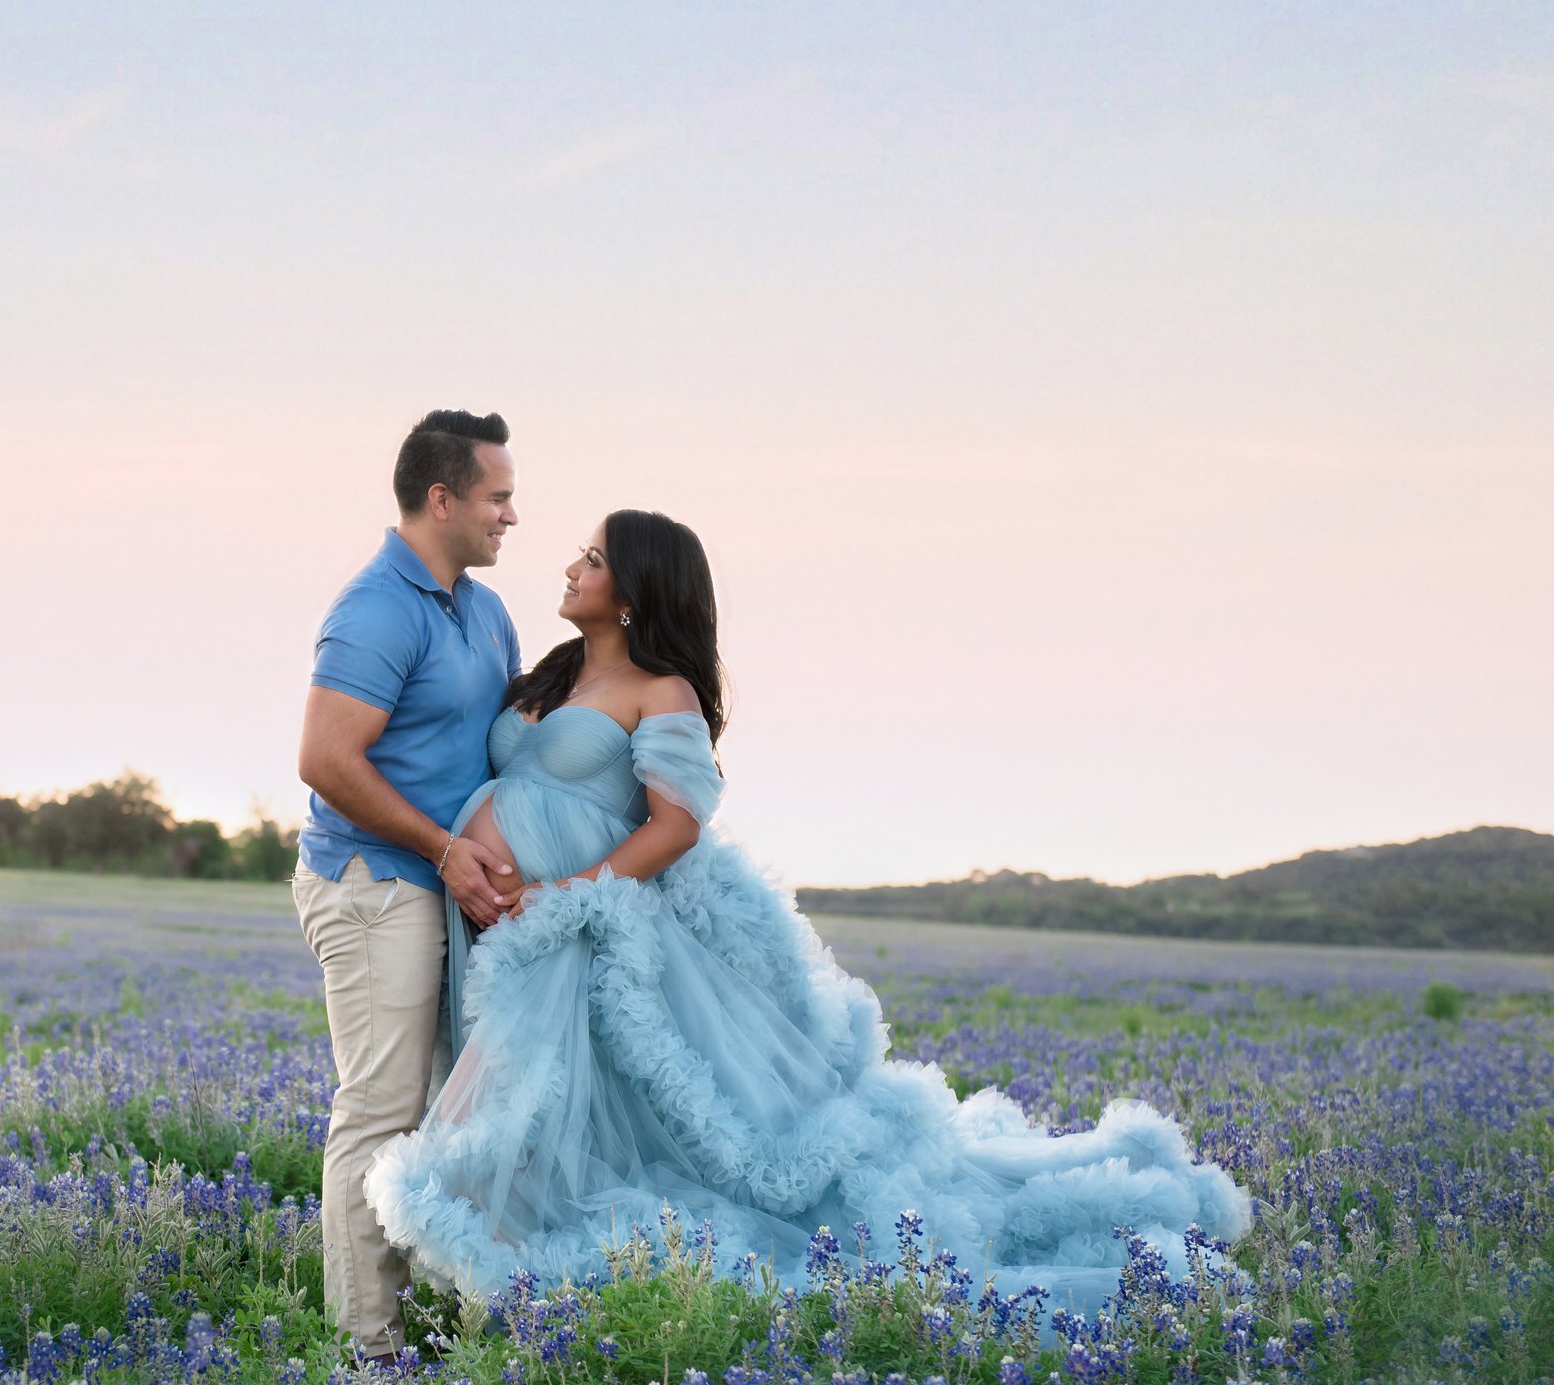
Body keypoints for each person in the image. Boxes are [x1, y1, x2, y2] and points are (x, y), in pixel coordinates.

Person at [364, 509, 1254, 1328]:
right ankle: (498, 1305)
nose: (569, 565)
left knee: (511, 1105)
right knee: (535, 1109)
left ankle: (515, 1302)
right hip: (501, 920)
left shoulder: (661, 688)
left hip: (577, 926)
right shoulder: (548, 676)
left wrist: (574, 893)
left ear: (633, 593)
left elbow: (677, 823)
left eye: (592, 559)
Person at [294, 409, 526, 1364]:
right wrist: (441, 848)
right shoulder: (376, 608)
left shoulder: (481, 606)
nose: (511, 516)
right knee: (381, 1111)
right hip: (374, 884)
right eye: (497, 497)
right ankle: (370, 1350)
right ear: (442, 500)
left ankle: (437, 1313)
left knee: (451, 1112)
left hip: (448, 885)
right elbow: (325, 759)